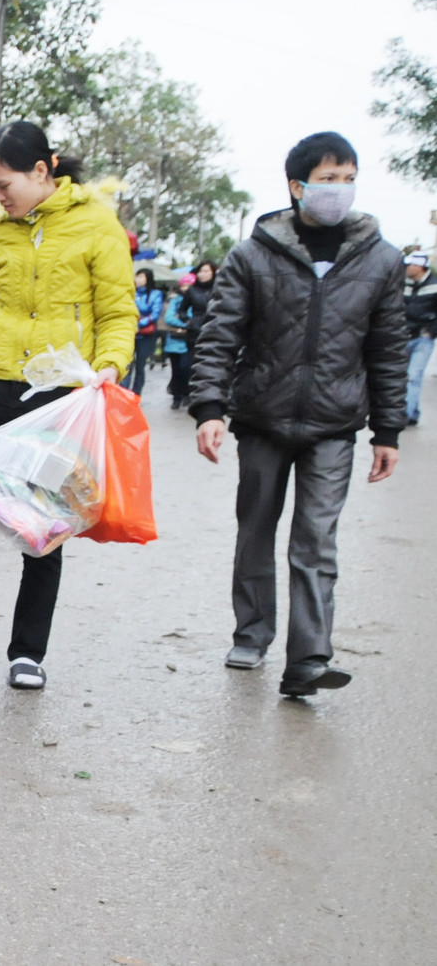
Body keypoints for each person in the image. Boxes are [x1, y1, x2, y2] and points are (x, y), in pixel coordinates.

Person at [0, 121, 135, 690]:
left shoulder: (96, 226)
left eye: (4, 185)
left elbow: (116, 311)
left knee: (43, 528)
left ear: (43, 171)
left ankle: (27, 653)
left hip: (57, 401)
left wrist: (110, 364)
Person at [190, 131, 406, 698]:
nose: (340, 189)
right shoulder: (252, 255)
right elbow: (219, 336)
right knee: (256, 529)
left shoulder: (381, 260)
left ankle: (308, 659)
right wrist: (209, 407)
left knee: (317, 541)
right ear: (297, 186)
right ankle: (251, 633)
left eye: (348, 178)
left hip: (335, 426)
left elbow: (387, 348)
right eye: (328, 179)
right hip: (262, 418)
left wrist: (388, 430)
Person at [402, 251, 437, 425]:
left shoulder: (435, 285)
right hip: (404, 335)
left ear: (420, 267)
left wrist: (431, 331)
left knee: (413, 375)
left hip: (423, 338)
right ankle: (413, 412)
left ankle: (406, 414)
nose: (408, 267)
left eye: (411, 265)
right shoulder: (403, 284)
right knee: (401, 376)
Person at [128, 270, 162, 396]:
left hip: (146, 334)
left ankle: (136, 394)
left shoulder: (155, 294)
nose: (138, 279)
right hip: (130, 332)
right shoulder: (130, 292)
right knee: (127, 365)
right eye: (137, 276)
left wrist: (139, 324)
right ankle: (124, 392)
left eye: (141, 277)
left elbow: (155, 313)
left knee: (140, 365)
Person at [163, 275, 192, 409]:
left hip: (190, 340)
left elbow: (194, 317)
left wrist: (188, 325)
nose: (186, 288)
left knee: (186, 368)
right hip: (175, 340)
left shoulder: (195, 300)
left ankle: (187, 393)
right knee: (176, 370)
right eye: (184, 285)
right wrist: (184, 325)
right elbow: (168, 317)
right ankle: (176, 396)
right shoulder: (175, 300)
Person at [179, 259, 216, 366]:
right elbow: (182, 309)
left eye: (206, 271)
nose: (203, 274)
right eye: (201, 271)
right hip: (194, 330)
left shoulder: (219, 289)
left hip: (214, 329)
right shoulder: (192, 290)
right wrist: (187, 321)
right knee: (190, 364)